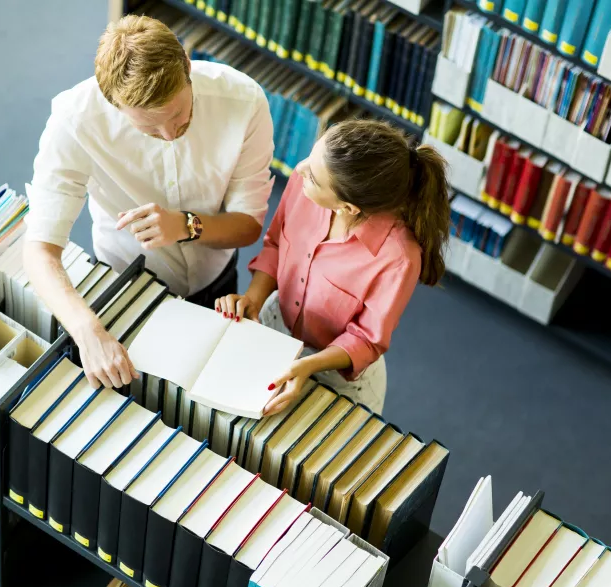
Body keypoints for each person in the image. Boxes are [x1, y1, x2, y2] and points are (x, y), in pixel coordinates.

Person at [24, 15, 275, 390]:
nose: (170, 135)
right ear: (113, 104)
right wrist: (89, 332)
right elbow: (39, 252)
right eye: (147, 128)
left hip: (217, 277)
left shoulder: (244, 101)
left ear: (187, 66)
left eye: (177, 115)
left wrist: (186, 225)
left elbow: (248, 226)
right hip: (130, 279)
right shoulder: (73, 122)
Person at [215, 120, 450, 416]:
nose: (299, 169)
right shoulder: (303, 186)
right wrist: (253, 298)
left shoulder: (399, 257)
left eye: (313, 176)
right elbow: (276, 246)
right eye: (310, 159)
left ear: (348, 207)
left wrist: (308, 365)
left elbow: (365, 339)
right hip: (274, 330)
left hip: (336, 374)